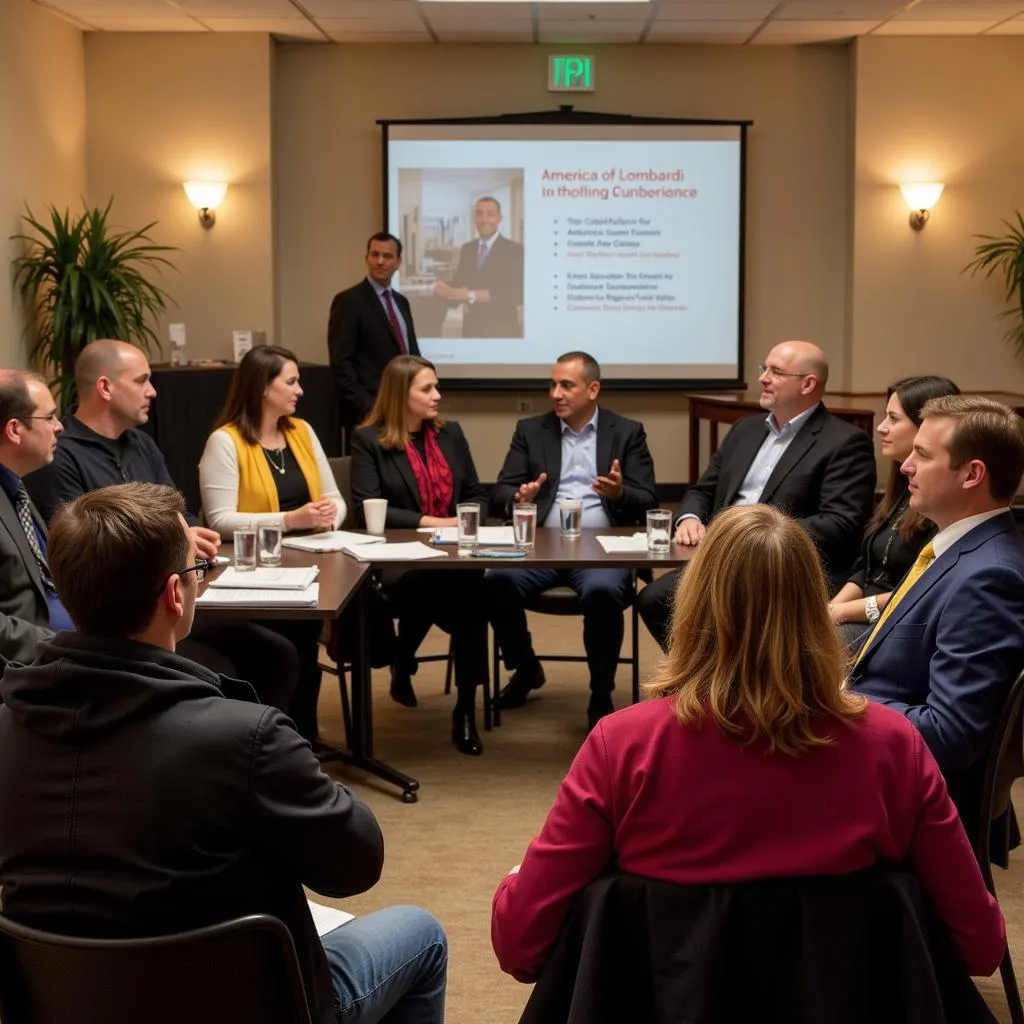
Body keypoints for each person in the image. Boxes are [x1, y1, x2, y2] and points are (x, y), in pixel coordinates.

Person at [491, 504, 1004, 986]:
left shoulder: (622, 746)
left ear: (692, 607)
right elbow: (981, 948)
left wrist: (519, 879)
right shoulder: (895, 747)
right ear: (815, 610)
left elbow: (519, 946)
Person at [0, 482, 447, 1024]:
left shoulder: (9, 728)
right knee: (422, 934)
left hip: (61, 1005)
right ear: (175, 594)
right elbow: (355, 864)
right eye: (198, 570)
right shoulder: (244, 737)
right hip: (244, 1005)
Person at [23, 339, 300, 712]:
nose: (152, 391)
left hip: (172, 597)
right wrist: (178, 537)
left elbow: (180, 513)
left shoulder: (141, 444)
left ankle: (279, 752)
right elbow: (85, 547)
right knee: (229, 670)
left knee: (276, 653)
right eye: (142, 381)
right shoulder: (61, 457)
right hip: (124, 617)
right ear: (105, 387)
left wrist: (188, 533)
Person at [850, 395, 1024, 834]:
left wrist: (836, 700)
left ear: (972, 474)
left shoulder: (990, 577)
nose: (905, 466)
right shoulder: (956, 543)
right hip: (879, 754)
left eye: (922, 455)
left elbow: (949, 735)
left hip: (908, 799)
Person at [636, 340, 876, 651]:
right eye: (764, 369)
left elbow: (838, 525)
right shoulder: (744, 430)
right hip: (721, 562)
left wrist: (746, 538)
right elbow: (702, 490)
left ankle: (739, 683)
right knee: (656, 600)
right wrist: (690, 518)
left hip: (781, 570)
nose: (763, 378)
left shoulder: (844, 442)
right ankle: (710, 681)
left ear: (808, 384)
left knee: (733, 613)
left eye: (775, 372)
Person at [486, 351, 657, 731]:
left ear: (593, 389)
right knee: (496, 581)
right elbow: (498, 493)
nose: (556, 394)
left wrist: (618, 494)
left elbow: (649, 502)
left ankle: (600, 692)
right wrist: (520, 496)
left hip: (602, 549)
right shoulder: (531, 430)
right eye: (552, 384)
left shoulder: (627, 432)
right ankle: (526, 667)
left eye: (567, 385)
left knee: (601, 592)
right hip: (541, 547)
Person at [199, 345, 346, 742]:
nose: (300, 390)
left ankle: (304, 740)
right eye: (291, 381)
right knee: (288, 649)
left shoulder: (302, 431)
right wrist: (291, 520)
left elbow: (334, 498)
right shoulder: (225, 441)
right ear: (264, 387)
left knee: (307, 648)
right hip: (252, 575)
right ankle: (279, 740)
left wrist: (330, 516)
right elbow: (220, 520)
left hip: (313, 563)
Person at [350, 354, 489, 756]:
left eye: (436, 386)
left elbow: (477, 495)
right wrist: (436, 522)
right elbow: (368, 507)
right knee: (462, 587)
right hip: (397, 563)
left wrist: (461, 520)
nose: (437, 396)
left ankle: (462, 706)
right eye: (427, 389)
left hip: (454, 559)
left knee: (467, 591)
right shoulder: (369, 440)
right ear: (400, 395)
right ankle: (451, 698)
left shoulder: (451, 434)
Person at [829, 375, 960, 648]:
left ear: (926, 425)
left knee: (795, 648)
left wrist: (837, 613)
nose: (881, 427)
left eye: (893, 418)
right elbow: (865, 570)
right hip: (861, 615)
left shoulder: (942, 501)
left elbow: (920, 591)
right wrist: (828, 610)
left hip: (897, 626)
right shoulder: (901, 486)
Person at [0, 370, 71, 662]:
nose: (60, 427)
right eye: (49, 417)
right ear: (15, 429)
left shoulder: (16, 487)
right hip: (36, 668)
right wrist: (61, 645)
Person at [328, 231, 420, 429]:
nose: (380, 261)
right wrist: (367, 408)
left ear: (398, 262)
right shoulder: (349, 301)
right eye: (374, 255)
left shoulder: (401, 302)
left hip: (405, 408)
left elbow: (412, 354)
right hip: (370, 412)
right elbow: (340, 362)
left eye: (387, 256)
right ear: (367, 258)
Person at [432, 196, 524, 338]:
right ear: (474, 218)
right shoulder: (467, 249)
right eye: (479, 214)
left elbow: (517, 293)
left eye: (490, 214)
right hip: (472, 330)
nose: (484, 219)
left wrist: (472, 295)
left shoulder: (515, 250)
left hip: (503, 330)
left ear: (499, 218)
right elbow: (460, 283)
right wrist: (441, 287)